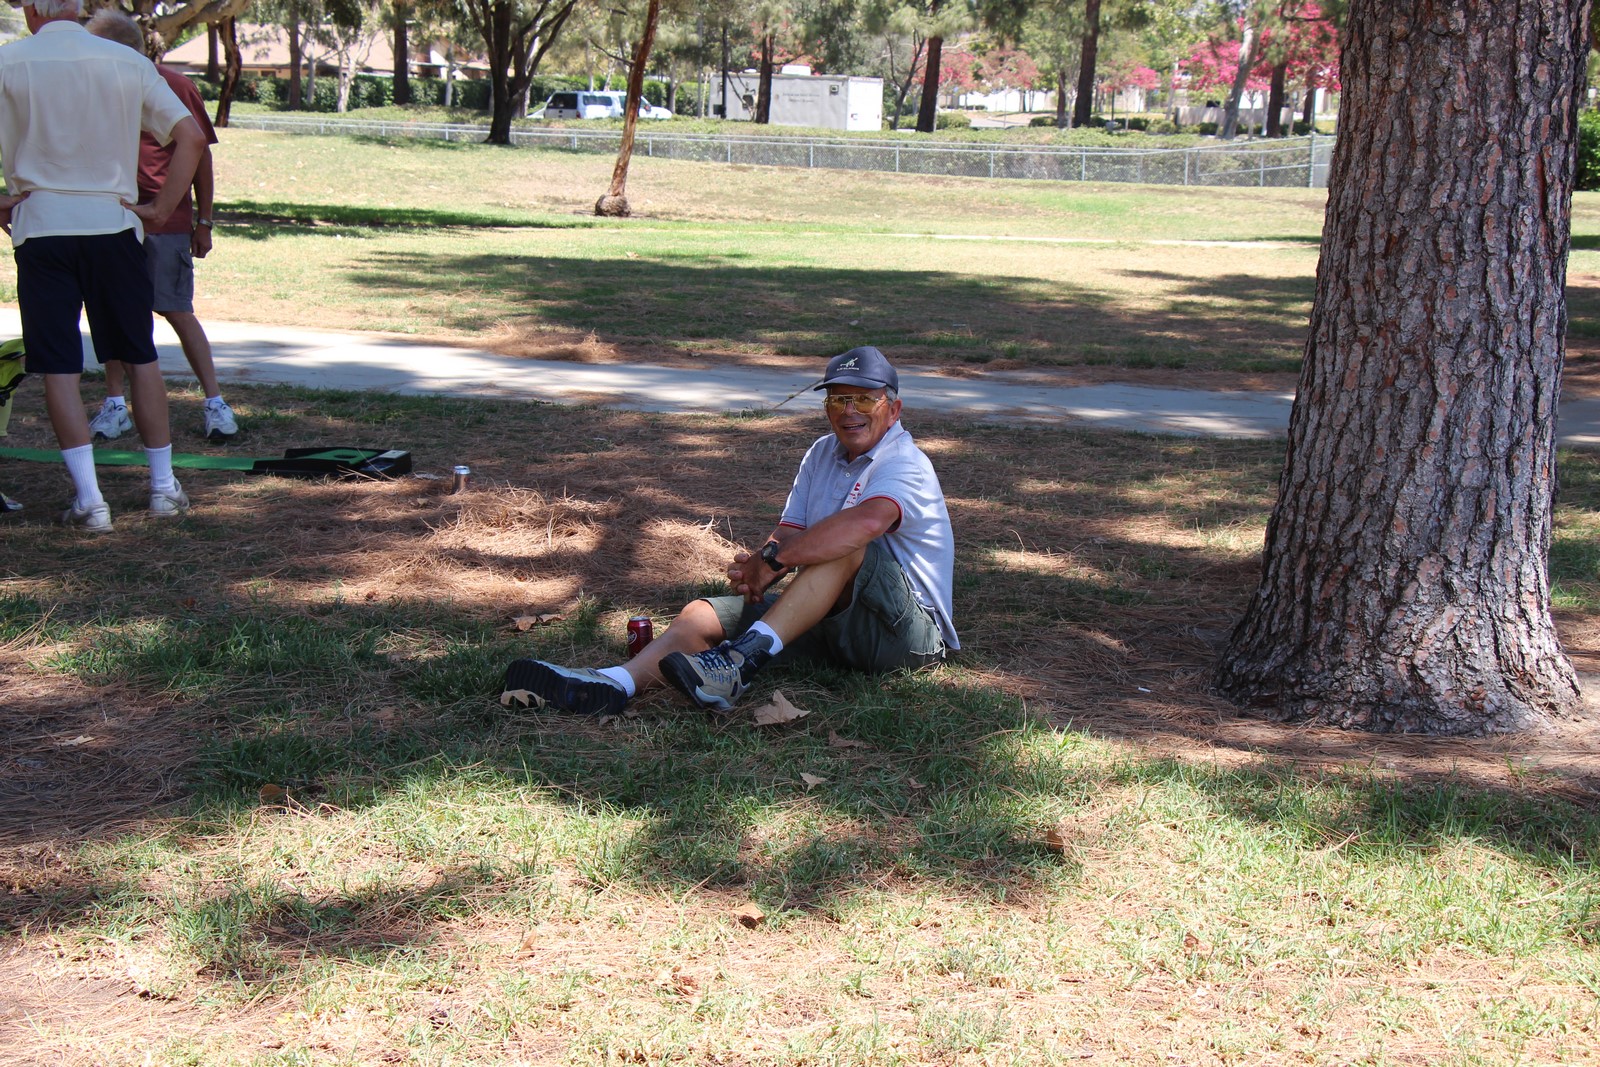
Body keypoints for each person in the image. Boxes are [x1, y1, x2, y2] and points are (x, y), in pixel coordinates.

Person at [505, 345, 959, 714]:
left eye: (864, 399)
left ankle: (738, 664)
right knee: (701, 615)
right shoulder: (821, 452)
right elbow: (789, 530)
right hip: (835, 624)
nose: (848, 411)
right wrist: (760, 566)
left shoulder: (905, 463)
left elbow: (865, 523)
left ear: (894, 409)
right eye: (837, 399)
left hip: (907, 637)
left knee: (845, 545)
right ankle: (612, 685)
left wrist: (775, 561)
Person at [0, 0, 206, 532]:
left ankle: (90, 500)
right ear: (76, 6)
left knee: (59, 364)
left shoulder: (9, 61)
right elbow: (191, 137)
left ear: (29, 10)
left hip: (41, 223)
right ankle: (162, 487)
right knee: (139, 355)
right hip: (112, 223)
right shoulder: (125, 60)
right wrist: (162, 208)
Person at [84, 9, 236, 444]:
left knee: (174, 309)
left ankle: (215, 403)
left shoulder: (174, 86)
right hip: (108, 219)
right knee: (111, 312)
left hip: (165, 221)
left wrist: (204, 221)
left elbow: (201, 156)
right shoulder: (92, 88)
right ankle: (115, 404)